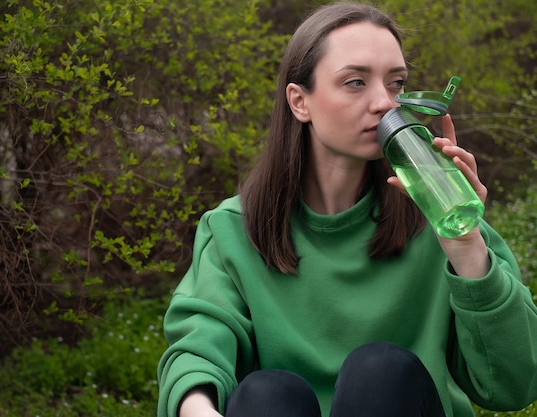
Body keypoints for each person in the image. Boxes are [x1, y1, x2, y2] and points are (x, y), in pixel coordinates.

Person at [156, 2, 537, 417]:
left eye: (396, 83)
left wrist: (465, 245)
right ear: (300, 102)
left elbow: (514, 386)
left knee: (381, 371)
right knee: (267, 393)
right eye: (355, 82)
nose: (384, 103)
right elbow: (198, 349)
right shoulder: (234, 229)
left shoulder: (439, 215)